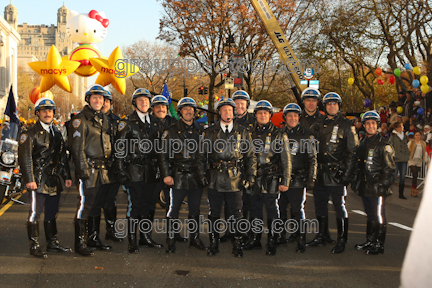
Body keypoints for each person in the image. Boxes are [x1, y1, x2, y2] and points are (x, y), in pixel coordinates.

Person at [197, 97, 257, 258]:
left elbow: (250, 156)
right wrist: (202, 175)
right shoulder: (209, 132)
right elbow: (201, 156)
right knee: (214, 213)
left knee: (237, 213)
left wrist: (251, 176)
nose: (228, 113)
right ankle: (214, 244)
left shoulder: (242, 131)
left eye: (230, 110)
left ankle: (237, 245)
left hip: (235, 178)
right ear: (219, 113)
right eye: (224, 110)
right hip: (215, 178)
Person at [18, 98, 72, 258]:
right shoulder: (29, 134)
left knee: (52, 212)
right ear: (37, 113)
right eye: (44, 111)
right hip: (38, 180)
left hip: (54, 179)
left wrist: (67, 176)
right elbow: (25, 158)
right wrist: (29, 179)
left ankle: (52, 243)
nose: (47, 114)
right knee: (35, 212)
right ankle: (34, 245)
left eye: (50, 111)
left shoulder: (56, 132)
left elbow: (62, 157)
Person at [307, 92, 359, 254]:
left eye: (334, 103)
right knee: (319, 204)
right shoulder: (318, 123)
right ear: (324, 106)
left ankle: (342, 240)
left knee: (339, 206)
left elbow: (353, 152)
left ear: (339, 106)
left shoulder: (346, 125)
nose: (331, 106)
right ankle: (322, 235)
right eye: (328, 103)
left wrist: (346, 175)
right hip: (320, 172)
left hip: (337, 172)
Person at [115, 88, 163, 253]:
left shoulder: (155, 122)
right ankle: (132, 240)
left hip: (151, 171)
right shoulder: (126, 123)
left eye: (146, 100)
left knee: (147, 206)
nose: (144, 102)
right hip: (134, 170)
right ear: (134, 103)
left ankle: (145, 237)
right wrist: (121, 171)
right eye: (140, 100)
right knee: (134, 207)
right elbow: (119, 149)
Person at [242, 100, 292, 256]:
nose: (262, 115)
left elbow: (286, 159)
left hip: (271, 177)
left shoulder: (279, 133)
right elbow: (244, 156)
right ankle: (256, 239)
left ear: (270, 115)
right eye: (259, 113)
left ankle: (272, 240)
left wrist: (285, 181)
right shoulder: (248, 133)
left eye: (265, 113)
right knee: (255, 210)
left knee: (272, 211)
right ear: (255, 115)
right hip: (253, 178)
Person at [69, 84, 113, 256]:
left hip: (103, 170)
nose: (98, 100)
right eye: (94, 98)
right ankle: (79, 243)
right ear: (88, 99)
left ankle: (93, 239)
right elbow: (77, 148)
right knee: (84, 207)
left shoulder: (103, 118)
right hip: (89, 169)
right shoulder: (80, 120)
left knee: (97, 206)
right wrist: (82, 171)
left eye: (101, 98)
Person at [158, 97, 207, 253]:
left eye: (191, 109)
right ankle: (170, 239)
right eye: (185, 109)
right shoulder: (170, 131)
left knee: (195, 210)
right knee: (173, 209)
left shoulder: (201, 131)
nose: (189, 111)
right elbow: (163, 155)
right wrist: (166, 175)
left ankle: (195, 238)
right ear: (180, 112)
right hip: (177, 175)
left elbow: (206, 155)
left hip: (196, 176)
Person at [352, 111, 395, 255]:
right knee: (370, 214)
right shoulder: (363, 142)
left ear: (378, 126)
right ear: (363, 125)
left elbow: (390, 169)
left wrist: (383, 186)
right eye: (368, 123)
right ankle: (370, 240)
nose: (371, 126)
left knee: (379, 215)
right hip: (365, 186)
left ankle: (379, 244)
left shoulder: (384, 143)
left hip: (377, 186)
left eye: (373, 123)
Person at [279, 103, 317, 253]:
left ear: (299, 118)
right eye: (290, 115)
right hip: (282, 179)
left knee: (297, 209)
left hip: (298, 179)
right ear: (285, 117)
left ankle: (301, 238)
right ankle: (282, 236)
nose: (292, 118)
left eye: (295, 115)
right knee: (281, 209)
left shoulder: (307, 135)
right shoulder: (279, 133)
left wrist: (311, 179)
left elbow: (313, 159)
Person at [150, 95, 185, 242]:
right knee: (150, 202)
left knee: (172, 202)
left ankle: (173, 232)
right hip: (152, 168)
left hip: (171, 168)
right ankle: (146, 235)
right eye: (157, 107)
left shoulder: (174, 123)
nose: (160, 109)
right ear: (153, 109)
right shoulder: (148, 123)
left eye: (163, 106)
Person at [226, 90, 256, 244]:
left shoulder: (254, 122)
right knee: (229, 200)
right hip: (231, 169)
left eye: (241, 103)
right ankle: (229, 231)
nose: (238, 106)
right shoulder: (227, 120)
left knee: (248, 202)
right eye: (236, 103)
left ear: (246, 105)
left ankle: (246, 232)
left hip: (246, 167)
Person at [97, 89, 123, 243]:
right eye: (102, 100)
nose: (105, 104)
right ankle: (90, 234)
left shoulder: (118, 121)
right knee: (93, 201)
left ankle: (110, 231)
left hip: (113, 168)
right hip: (96, 168)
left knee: (110, 200)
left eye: (107, 101)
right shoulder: (90, 119)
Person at [389, 121, 410, 199]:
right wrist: (393, 155)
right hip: (396, 158)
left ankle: (401, 194)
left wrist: (407, 154)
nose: (402, 128)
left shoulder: (404, 136)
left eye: (402, 126)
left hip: (404, 158)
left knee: (402, 177)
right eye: (401, 126)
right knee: (394, 176)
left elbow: (405, 146)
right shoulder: (393, 136)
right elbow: (390, 147)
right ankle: (388, 189)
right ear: (396, 128)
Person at [408, 130, 428, 197]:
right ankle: (414, 190)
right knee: (414, 174)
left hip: (419, 161)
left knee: (415, 176)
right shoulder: (411, 142)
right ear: (414, 136)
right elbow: (407, 149)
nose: (418, 136)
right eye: (416, 135)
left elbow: (424, 153)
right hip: (412, 160)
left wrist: (426, 161)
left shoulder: (423, 143)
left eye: (419, 135)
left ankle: (413, 188)